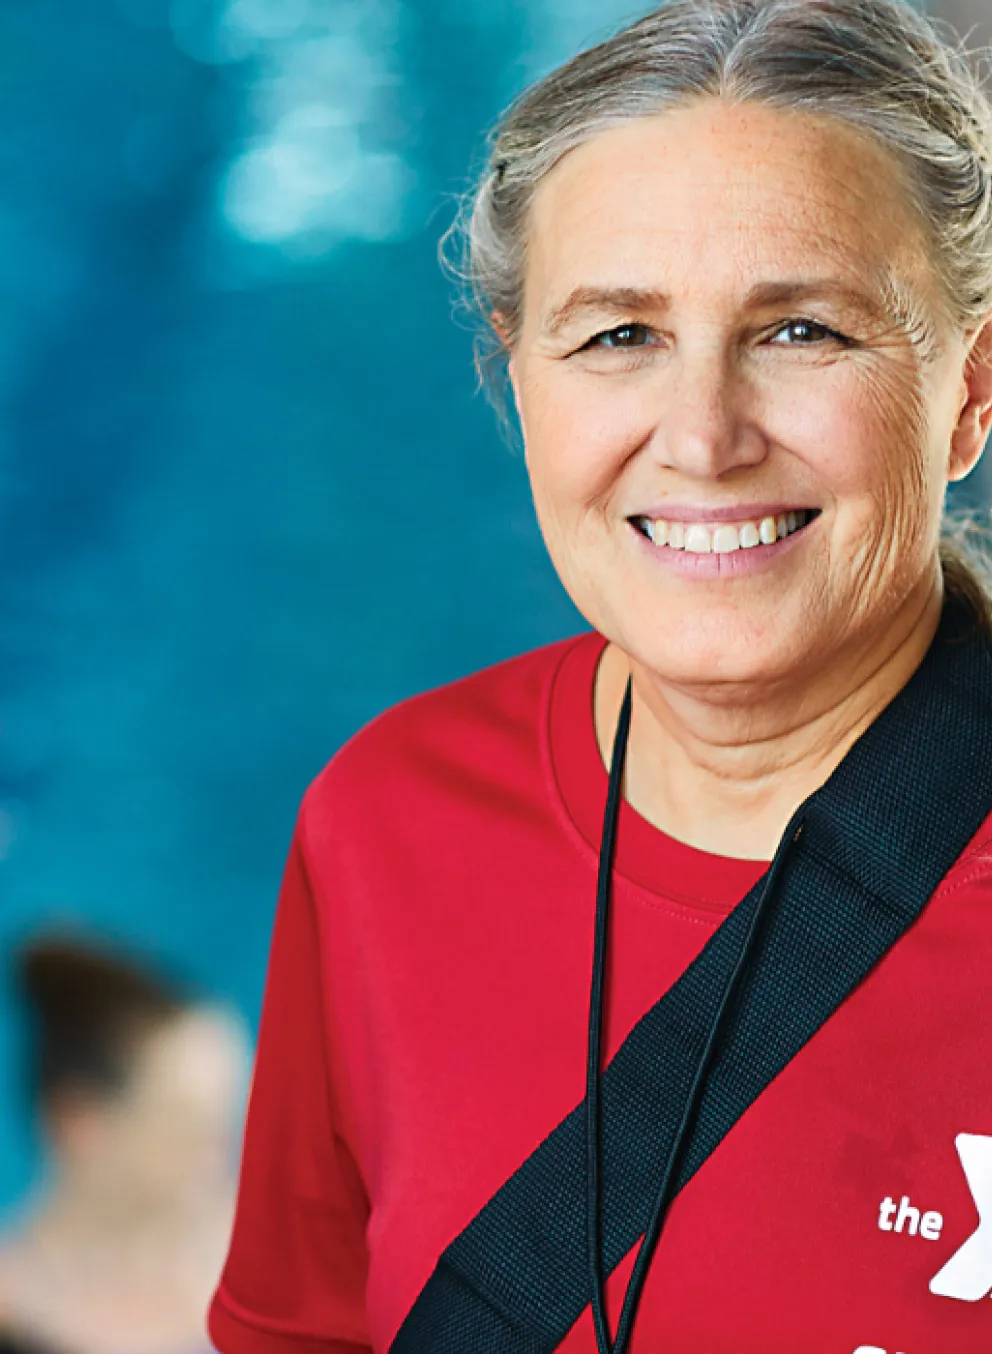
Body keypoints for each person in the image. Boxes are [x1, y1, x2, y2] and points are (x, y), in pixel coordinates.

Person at [208, 1, 992, 1350]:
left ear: (971, 390)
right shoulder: (387, 821)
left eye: (802, 328)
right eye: (618, 335)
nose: (702, 437)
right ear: (518, 380)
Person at [0, 935, 250, 1354]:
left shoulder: (259, 1271)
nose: (218, 1165)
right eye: (186, 1134)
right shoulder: (16, 1308)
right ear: (80, 1124)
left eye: (226, 1130)